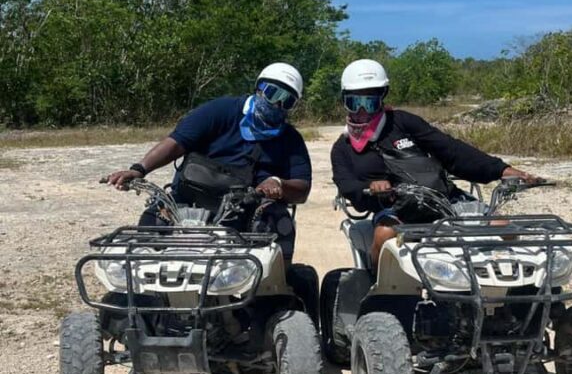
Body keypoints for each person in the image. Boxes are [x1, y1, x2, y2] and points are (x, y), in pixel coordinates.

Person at [331, 58, 540, 268]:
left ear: (382, 97)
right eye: (354, 103)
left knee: (505, 227)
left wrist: (501, 170)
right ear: (344, 102)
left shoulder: (403, 122)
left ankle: (505, 281)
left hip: (444, 199)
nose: (362, 110)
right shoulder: (342, 148)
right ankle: (377, 284)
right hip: (396, 210)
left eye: (370, 102)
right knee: (384, 235)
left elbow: (451, 150)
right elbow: (346, 184)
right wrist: (370, 187)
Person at [106, 63, 311, 262]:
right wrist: (139, 169)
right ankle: (145, 279)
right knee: (151, 223)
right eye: (273, 93)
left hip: (248, 209)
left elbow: (302, 189)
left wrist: (278, 183)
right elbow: (177, 142)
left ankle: (277, 284)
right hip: (191, 197)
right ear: (258, 88)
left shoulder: (290, 139)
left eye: (288, 101)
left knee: (279, 221)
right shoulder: (220, 110)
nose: (277, 104)